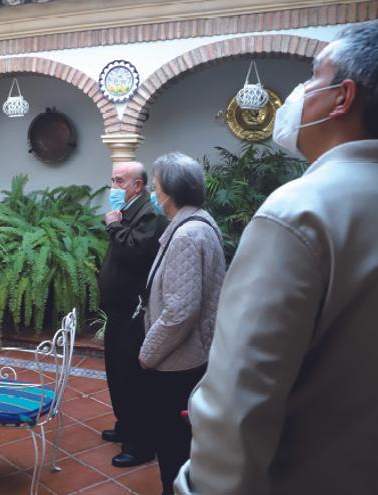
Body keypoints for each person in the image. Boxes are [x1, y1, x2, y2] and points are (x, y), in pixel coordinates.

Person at [175, 19, 378, 494]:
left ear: (343, 98)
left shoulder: (300, 211)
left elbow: (239, 400)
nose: (300, 91)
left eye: (313, 76)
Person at [137, 152, 225, 495]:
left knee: (173, 446)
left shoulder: (188, 235)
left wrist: (148, 353)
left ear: (169, 193)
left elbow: (179, 312)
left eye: (156, 188)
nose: (154, 195)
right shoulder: (198, 223)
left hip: (178, 362)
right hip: (193, 355)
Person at [98, 161, 168, 468]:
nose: (113, 187)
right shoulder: (130, 210)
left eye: (119, 181)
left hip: (134, 311)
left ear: (137, 186)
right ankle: (125, 426)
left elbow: (136, 251)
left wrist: (113, 225)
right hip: (119, 310)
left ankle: (140, 445)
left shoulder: (149, 214)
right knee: (117, 373)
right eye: (112, 180)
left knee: (132, 378)